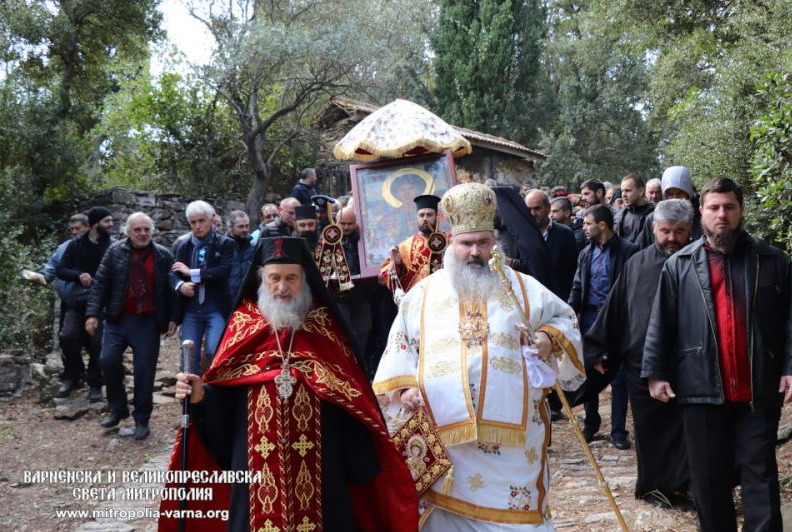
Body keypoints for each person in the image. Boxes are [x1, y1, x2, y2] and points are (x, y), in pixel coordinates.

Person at [164, 237, 418, 531]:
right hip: (253, 475)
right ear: (262, 280)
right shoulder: (242, 325)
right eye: (274, 278)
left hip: (323, 471)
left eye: (291, 278)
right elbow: (224, 395)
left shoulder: (326, 328)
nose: (282, 287)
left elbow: (352, 394)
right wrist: (201, 397)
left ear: (304, 280)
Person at [373, 183, 585, 531]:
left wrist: (548, 338)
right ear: (451, 243)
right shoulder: (422, 295)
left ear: (494, 243)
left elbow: (565, 319)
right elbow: (400, 348)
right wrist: (406, 388)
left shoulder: (522, 287)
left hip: (513, 442)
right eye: (466, 244)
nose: (475, 252)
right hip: (445, 441)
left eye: (483, 243)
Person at [643, 177, 792, 532]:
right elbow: (661, 322)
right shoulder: (679, 265)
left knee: (761, 475)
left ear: (741, 211)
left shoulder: (772, 260)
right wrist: (655, 372)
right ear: (701, 212)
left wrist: (790, 366)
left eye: (729, 207)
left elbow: (790, 319)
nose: (721, 215)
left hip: (758, 388)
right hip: (700, 389)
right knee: (708, 480)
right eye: (714, 208)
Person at [583, 200, 693, 506]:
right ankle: (653, 487)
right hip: (640, 366)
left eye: (679, 232)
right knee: (650, 431)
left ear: (690, 231)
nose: (672, 238)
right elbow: (617, 308)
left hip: (687, 364)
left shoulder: (699, 262)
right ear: (654, 228)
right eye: (665, 231)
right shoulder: (637, 262)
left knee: (686, 431)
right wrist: (599, 350)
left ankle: (685, 485)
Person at [85, 213, 178, 440]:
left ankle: (142, 419)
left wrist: (174, 318)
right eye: (137, 230)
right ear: (128, 231)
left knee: (144, 372)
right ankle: (118, 409)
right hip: (118, 319)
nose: (143, 233)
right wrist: (92, 314)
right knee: (107, 360)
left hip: (147, 322)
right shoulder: (115, 251)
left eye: (146, 229)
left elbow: (172, 288)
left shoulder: (163, 255)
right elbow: (101, 284)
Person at [568, 204, 637, 448]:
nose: (584, 228)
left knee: (618, 376)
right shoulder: (585, 253)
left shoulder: (629, 251)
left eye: (587, 224)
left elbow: (632, 289)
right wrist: (569, 312)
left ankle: (618, 430)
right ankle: (591, 423)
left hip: (617, 321)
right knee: (589, 372)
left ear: (602, 225)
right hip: (589, 319)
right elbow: (578, 285)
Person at [56, 207, 115, 401]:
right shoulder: (76, 245)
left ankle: (95, 383)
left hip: (100, 304)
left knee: (97, 342)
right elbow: (61, 269)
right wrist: (78, 275)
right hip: (78, 301)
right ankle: (74, 375)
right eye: (107, 221)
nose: (111, 225)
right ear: (95, 224)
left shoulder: (113, 246)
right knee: (67, 336)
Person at [170, 200, 234, 373]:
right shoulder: (184, 245)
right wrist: (181, 284)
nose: (197, 226)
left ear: (211, 220)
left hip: (216, 308)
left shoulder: (225, 243)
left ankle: (214, 394)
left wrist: (191, 273)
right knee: (188, 356)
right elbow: (173, 274)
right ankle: (190, 399)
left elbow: (222, 271)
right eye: (193, 222)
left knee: (215, 351)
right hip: (191, 309)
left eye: (201, 221)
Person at [379, 194, 447, 293]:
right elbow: (384, 275)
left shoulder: (450, 240)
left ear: (437, 217)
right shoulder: (404, 247)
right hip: (419, 299)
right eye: (421, 215)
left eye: (429, 215)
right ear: (417, 217)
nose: (425, 218)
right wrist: (397, 265)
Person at [525, 190, 578, 301]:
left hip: (559, 300)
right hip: (532, 301)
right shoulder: (522, 235)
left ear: (548, 208)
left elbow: (574, 271)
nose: (532, 213)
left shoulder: (565, 234)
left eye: (537, 208)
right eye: (529, 209)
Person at [638, 166, 703, 248]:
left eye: (680, 193)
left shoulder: (701, 218)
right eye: (670, 194)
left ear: (688, 193)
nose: (675, 198)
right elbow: (642, 251)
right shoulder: (653, 218)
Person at [613, 173, 654, 244]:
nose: (623, 195)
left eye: (628, 190)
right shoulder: (619, 215)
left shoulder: (653, 214)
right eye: (622, 191)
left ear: (641, 191)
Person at [226, 210, 254, 303]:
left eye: (247, 226)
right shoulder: (222, 247)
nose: (245, 229)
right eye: (241, 226)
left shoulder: (253, 247)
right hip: (227, 298)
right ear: (231, 227)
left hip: (248, 298)